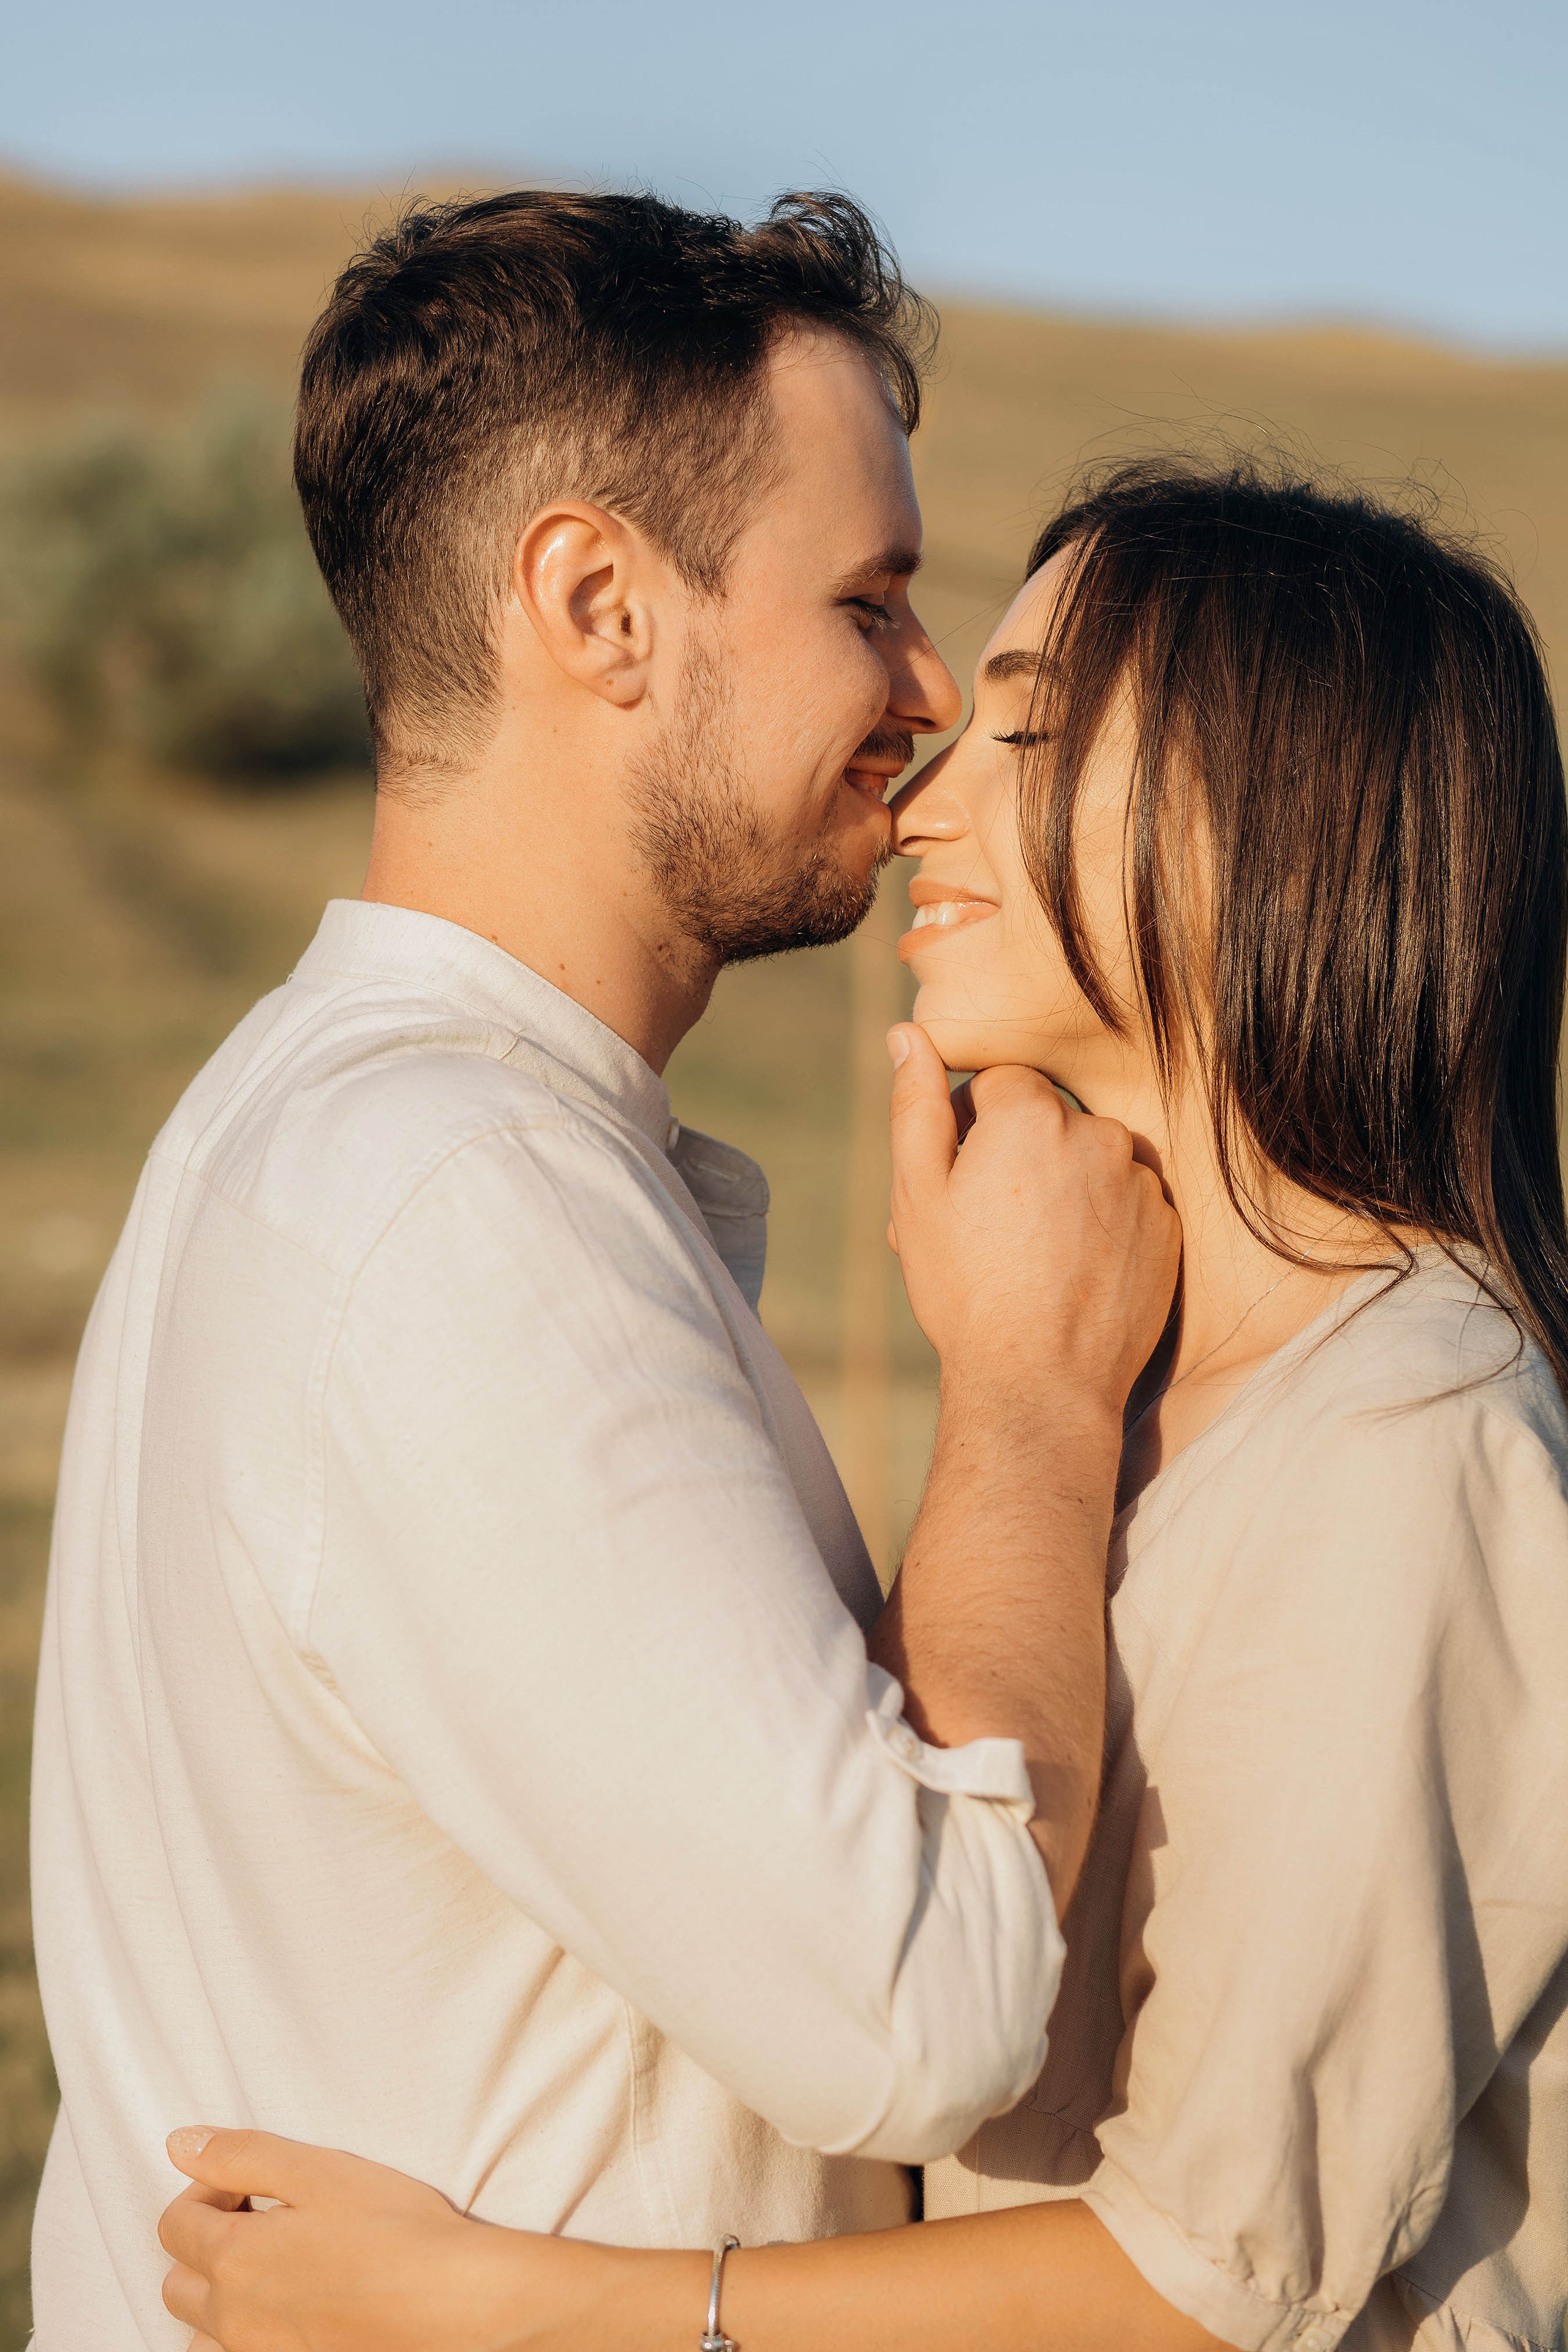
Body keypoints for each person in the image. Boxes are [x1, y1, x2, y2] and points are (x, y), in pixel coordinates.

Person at [158, 459, 1568, 2352]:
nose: (926, 798)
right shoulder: (1132, 1380)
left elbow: (1208, 2279)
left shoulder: (1419, 1439)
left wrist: (494, 2304)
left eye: (1033, 731)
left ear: (1278, 806)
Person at [29, 191, 1180, 2347]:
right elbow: (918, 2002)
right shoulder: (453, 1202)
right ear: (597, 603)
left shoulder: (318, 1131)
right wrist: (1032, 1405)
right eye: (871, 599)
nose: (925, 694)